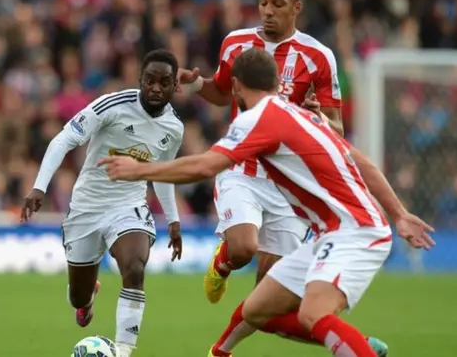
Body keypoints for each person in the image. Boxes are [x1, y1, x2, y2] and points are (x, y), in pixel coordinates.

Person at [98, 48, 435, 357]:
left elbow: (207, 165)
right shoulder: (301, 114)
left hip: (355, 231)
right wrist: (399, 213)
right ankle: (219, 353)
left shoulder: (257, 118)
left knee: (313, 312)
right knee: (257, 308)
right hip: (328, 233)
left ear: (236, 87)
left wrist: (139, 170)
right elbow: (362, 161)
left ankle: (359, 350)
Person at [179, 0, 388, 355]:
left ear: (296, 8)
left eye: (277, 4)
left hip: (290, 186)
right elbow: (222, 91)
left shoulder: (319, 56)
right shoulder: (236, 42)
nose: (267, 11)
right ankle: (223, 263)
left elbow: (336, 127)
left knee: (269, 306)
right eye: (262, 3)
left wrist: (318, 117)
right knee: (243, 246)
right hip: (242, 166)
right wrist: (197, 86)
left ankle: (344, 340)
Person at [20, 49, 185, 357]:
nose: (156, 88)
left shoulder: (174, 128)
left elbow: (162, 173)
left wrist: (173, 220)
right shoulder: (112, 105)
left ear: (176, 85)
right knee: (78, 297)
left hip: (129, 206)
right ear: (140, 80)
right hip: (86, 208)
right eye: (150, 80)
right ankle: (86, 300)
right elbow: (63, 139)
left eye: (164, 82)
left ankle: (122, 351)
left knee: (135, 267)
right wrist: (39, 187)